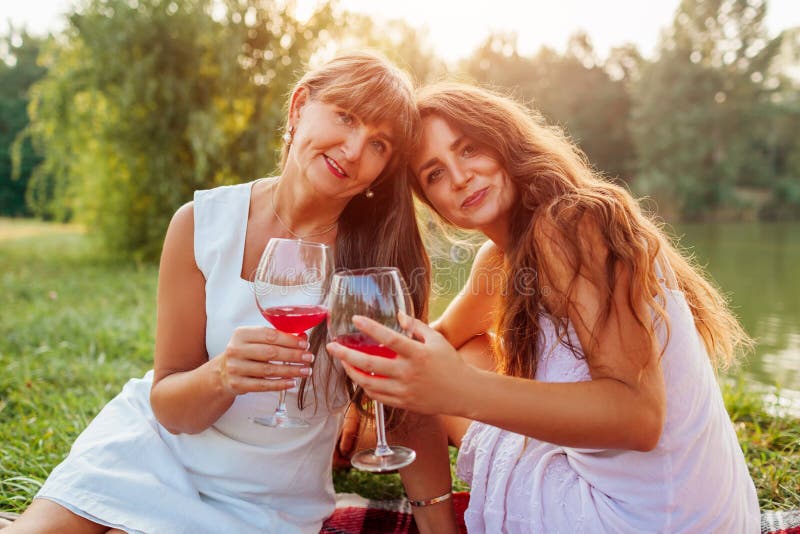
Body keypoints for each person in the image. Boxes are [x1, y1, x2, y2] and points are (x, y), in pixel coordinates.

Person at [8, 52, 455, 534]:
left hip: (266, 503)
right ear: (299, 106)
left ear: (383, 170)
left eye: (378, 143)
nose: (352, 149)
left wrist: (440, 529)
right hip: (148, 454)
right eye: (345, 117)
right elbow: (169, 404)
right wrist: (222, 375)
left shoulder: (382, 257)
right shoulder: (199, 225)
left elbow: (411, 408)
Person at [327, 82, 761, 533]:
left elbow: (640, 418)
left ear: (505, 140)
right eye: (434, 173)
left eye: (470, 149)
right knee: (433, 363)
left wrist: (457, 389)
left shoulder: (571, 224)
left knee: (424, 381)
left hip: (644, 518)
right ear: (432, 203)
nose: (459, 177)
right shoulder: (502, 258)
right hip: (709, 514)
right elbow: (435, 338)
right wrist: (365, 400)